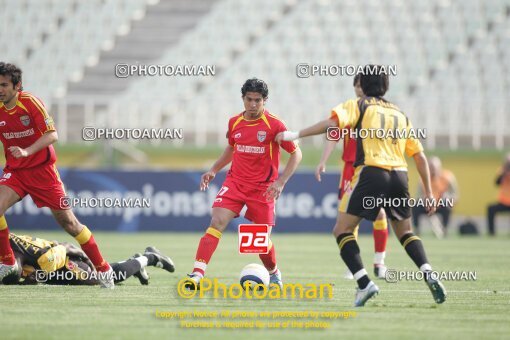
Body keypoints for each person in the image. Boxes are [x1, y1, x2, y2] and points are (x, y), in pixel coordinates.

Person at [276, 65, 446, 306]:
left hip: (371, 172)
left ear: (362, 86)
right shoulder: (400, 114)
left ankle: (364, 283)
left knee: (342, 230)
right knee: (406, 232)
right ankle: (428, 271)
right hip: (399, 174)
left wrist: (296, 134)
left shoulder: (359, 105)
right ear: (386, 86)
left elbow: (331, 124)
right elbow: (419, 156)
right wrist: (428, 192)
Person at [0, 62, 113, 288]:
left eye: (4, 85)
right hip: (16, 173)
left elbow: (52, 135)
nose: (0, 89)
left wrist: (26, 151)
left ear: (17, 86)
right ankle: (8, 261)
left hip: (43, 173)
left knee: (70, 224)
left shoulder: (31, 103)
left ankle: (103, 267)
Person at [184, 78, 302, 290]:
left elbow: (296, 154)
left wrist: (281, 182)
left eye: (258, 100)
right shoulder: (235, 122)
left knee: (258, 241)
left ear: (265, 100)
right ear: (243, 98)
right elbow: (231, 148)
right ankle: (197, 274)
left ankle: (274, 273)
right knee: (217, 222)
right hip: (235, 182)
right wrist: (213, 170)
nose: (253, 104)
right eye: (249, 99)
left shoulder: (275, 125)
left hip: (262, 189)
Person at [316, 74, 389, 279]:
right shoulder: (349, 110)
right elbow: (332, 134)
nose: (359, 89)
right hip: (350, 170)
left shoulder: (379, 113)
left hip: (374, 168)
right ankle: (353, 265)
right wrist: (323, 160)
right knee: (349, 219)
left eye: (361, 85)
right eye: (356, 86)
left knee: (380, 214)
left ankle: (380, 262)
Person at [1, 232, 175, 285]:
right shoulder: (8, 241)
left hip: (67, 264)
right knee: (107, 275)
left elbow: (13, 272)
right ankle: (136, 262)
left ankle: (149, 257)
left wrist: (89, 261)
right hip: (48, 270)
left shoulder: (10, 248)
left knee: (105, 279)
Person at [412, 156, 458, 236]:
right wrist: (424, 200)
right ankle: (417, 231)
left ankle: (444, 230)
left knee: (447, 204)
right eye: (430, 167)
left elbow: (455, 195)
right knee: (415, 206)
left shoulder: (448, 177)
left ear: (439, 167)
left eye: (434, 167)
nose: (432, 169)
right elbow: (418, 196)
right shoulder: (423, 178)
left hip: (441, 204)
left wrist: (448, 198)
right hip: (427, 204)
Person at [487, 154, 510, 235]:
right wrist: (504, 172)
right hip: (504, 202)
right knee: (490, 208)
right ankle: (491, 232)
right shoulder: (502, 171)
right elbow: (497, 183)